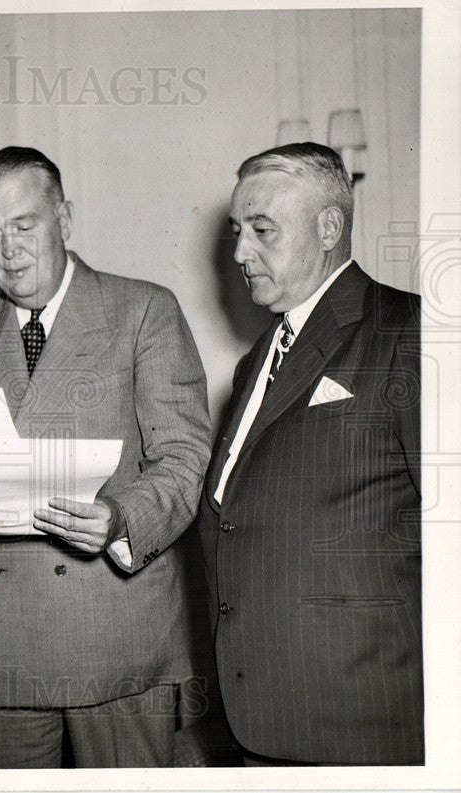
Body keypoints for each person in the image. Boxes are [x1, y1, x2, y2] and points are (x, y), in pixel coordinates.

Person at [0, 146, 212, 768]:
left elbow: (183, 457)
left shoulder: (144, 310)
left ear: (65, 219)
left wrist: (121, 517)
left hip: (114, 629)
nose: (7, 250)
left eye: (24, 226)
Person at [198, 142, 422, 765]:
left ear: (329, 227)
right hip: (260, 718)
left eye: (262, 230)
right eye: (238, 231)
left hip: (365, 724)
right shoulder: (253, 365)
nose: (240, 252)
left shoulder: (409, 332)